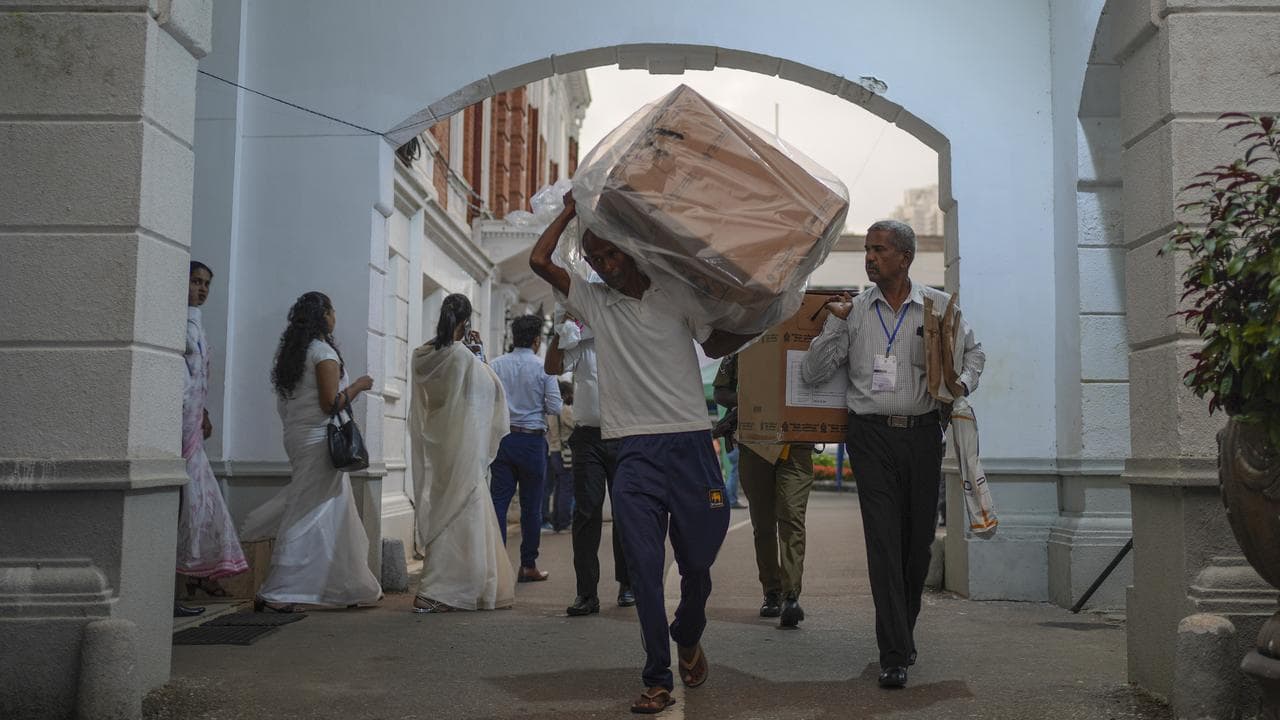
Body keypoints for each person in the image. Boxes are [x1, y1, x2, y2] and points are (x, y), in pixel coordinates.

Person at [530, 191, 757, 714]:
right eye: (595, 259)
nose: (606, 267)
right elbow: (540, 261)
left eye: (611, 254)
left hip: (690, 444)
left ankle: (689, 631)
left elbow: (718, 343)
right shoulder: (593, 302)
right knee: (644, 566)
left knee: (699, 561)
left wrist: (760, 313)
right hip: (631, 451)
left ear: (630, 250)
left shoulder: (675, 292)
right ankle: (657, 676)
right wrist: (571, 211)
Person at [801, 220, 985, 689]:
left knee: (916, 545)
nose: (870, 257)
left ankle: (903, 632)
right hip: (871, 437)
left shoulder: (938, 308)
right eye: (866, 249)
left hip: (924, 435)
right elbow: (812, 374)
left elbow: (975, 353)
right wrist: (831, 328)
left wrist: (962, 384)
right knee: (883, 540)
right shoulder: (855, 311)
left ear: (905, 257)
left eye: (879, 249)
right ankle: (894, 652)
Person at [241, 291, 382, 612]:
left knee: (337, 509)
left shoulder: (293, 355)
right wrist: (359, 385)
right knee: (308, 510)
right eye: (332, 310)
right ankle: (278, 590)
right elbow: (330, 403)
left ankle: (349, 586)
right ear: (324, 317)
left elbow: (286, 404)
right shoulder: (322, 353)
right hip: (321, 441)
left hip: (299, 437)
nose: (336, 316)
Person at [407, 294, 515, 613]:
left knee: (447, 505)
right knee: (461, 510)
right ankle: (437, 589)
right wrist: (479, 355)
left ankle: (465, 585)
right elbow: (491, 392)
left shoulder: (423, 355)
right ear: (465, 323)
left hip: (439, 444)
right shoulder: (462, 358)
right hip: (464, 446)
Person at [713, 353, 815, 627]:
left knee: (792, 517)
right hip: (756, 443)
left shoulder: (805, 339)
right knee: (764, 524)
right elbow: (721, 392)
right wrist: (756, 399)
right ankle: (772, 592)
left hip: (796, 445)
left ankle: (792, 595)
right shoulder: (746, 342)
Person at [545, 315, 636, 616]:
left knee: (626, 512)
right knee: (586, 513)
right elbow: (552, 367)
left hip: (625, 434)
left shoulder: (631, 341)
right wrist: (560, 328)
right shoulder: (582, 341)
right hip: (588, 438)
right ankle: (586, 593)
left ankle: (628, 584)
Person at [174, 262, 249, 617]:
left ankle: (187, 580)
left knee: (195, 505)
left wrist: (203, 413)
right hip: (176, 430)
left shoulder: (195, 323)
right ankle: (176, 586)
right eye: (195, 281)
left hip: (191, 428)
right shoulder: (173, 320)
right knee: (182, 506)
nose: (202, 289)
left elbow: (198, 373)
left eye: (206, 284)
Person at [488, 314, 562, 582]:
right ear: (536, 340)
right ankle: (527, 565)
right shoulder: (544, 368)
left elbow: (488, 399)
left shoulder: (496, 364)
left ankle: (495, 565)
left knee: (498, 501)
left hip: (503, 440)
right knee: (532, 507)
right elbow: (554, 407)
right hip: (532, 441)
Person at [543, 380, 575, 533]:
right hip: (565, 453)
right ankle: (564, 522)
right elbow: (576, 425)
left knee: (559, 487)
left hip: (553, 451)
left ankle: (556, 521)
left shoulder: (551, 410)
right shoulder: (565, 410)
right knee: (566, 488)